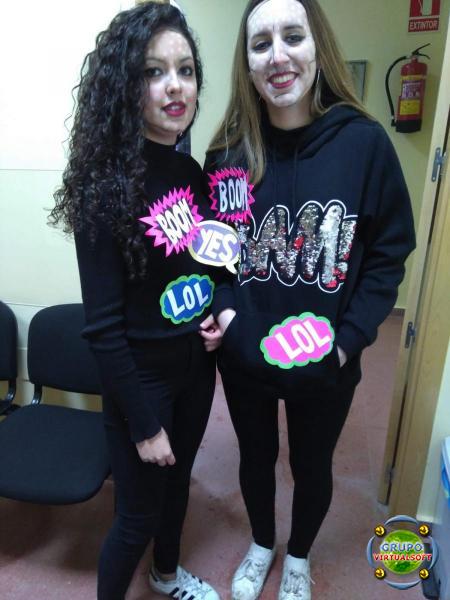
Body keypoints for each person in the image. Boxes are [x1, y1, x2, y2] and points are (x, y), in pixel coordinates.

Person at [204, 1, 416, 599]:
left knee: (312, 466)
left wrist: (347, 344)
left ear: (317, 47)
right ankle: (262, 543)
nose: (278, 56)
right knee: (255, 458)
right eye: (261, 44)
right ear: (247, 65)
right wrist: (228, 318)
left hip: (326, 361)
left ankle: (297, 555)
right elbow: (212, 256)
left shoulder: (364, 144)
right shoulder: (227, 155)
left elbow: (389, 252)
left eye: (292, 36)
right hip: (245, 357)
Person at [50, 3, 223, 599]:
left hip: (196, 369)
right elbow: (102, 329)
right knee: (135, 517)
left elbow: (191, 267)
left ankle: (167, 575)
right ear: (127, 86)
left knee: (178, 487)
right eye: (154, 72)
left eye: (185, 70)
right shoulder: (104, 188)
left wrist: (209, 313)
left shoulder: (190, 172)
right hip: (141, 383)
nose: (175, 86)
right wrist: (144, 425)